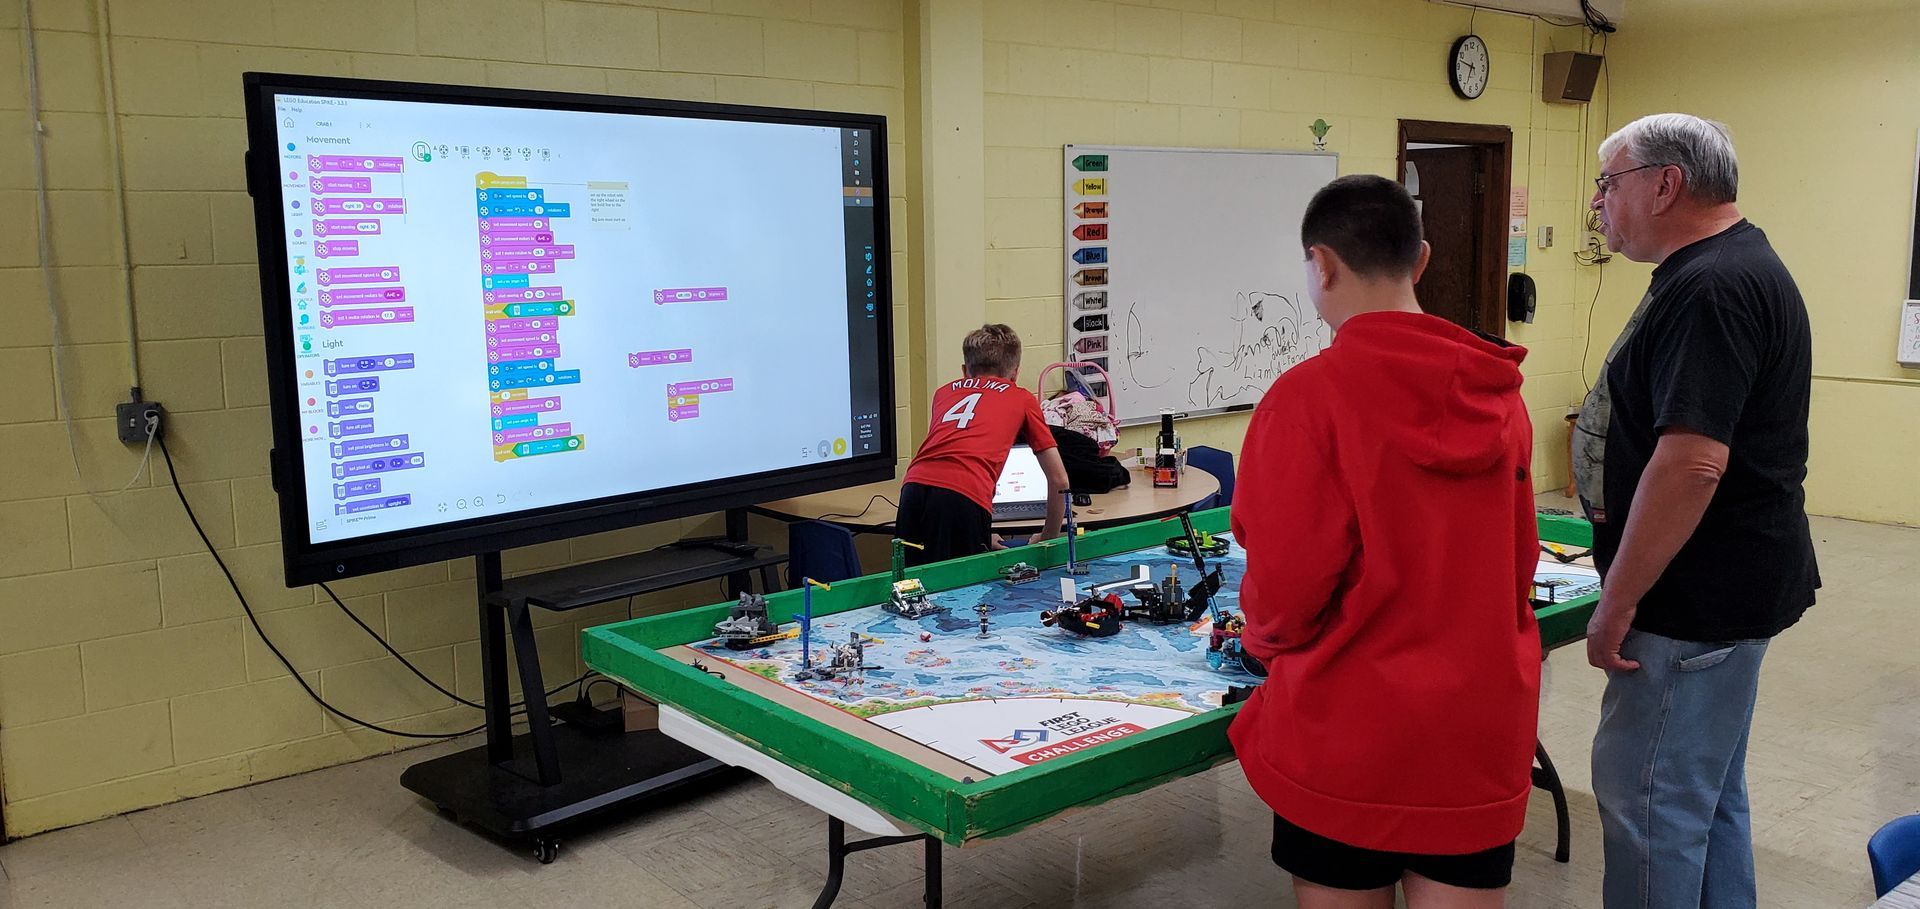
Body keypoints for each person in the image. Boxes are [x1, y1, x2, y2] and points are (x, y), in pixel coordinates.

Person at [1229, 174, 1540, 909]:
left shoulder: (1306, 400)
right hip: (1475, 733)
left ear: (1322, 264)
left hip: (1346, 736)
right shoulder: (1501, 397)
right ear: (1422, 260)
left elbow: (1281, 593)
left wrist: (1266, 644)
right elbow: (1516, 567)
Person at [1574, 113, 1818, 908]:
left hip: (1689, 606)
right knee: (1704, 799)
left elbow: (1692, 463)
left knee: (1650, 803)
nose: (1599, 204)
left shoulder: (1711, 286)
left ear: (1665, 184)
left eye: (1609, 184)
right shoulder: (1730, 265)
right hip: (1729, 592)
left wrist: (1617, 601)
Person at [896, 324, 1066, 566]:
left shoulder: (943, 393)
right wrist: (1047, 536)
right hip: (965, 494)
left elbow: (955, 449)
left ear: (965, 371)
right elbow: (1059, 481)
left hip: (913, 489)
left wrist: (981, 535)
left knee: (911, 586)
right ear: (1015, 373)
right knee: (962, 592)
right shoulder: (1021, 397)